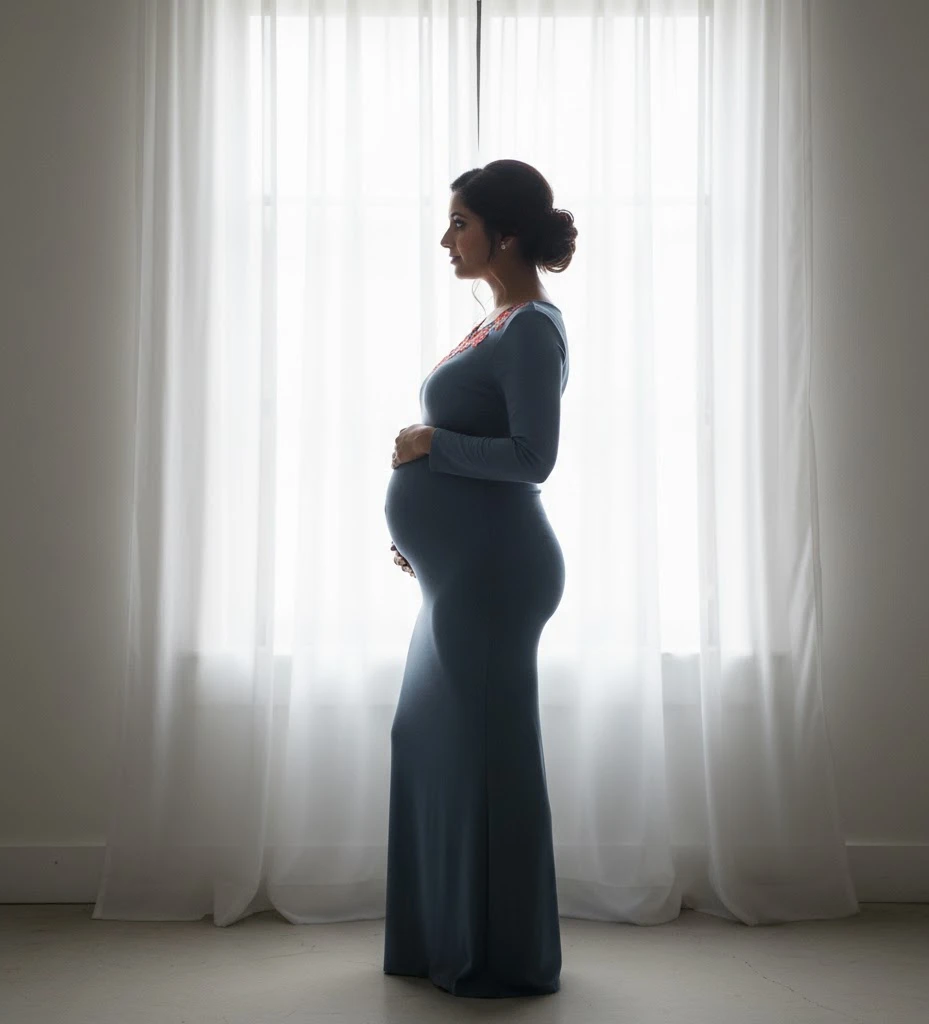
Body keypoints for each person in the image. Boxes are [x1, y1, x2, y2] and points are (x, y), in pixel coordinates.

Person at [382, 159, 577, 998]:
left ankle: (502, 956)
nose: (445, 238)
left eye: (458, 222)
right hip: (456, 574)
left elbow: (536, 458)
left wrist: (432, 447)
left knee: (489, 759)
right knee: (431, 743)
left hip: (497, 575)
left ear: (502, 232)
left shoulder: (532, 327)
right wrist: (426, 538)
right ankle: (442, 939)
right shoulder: (492, 324)